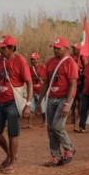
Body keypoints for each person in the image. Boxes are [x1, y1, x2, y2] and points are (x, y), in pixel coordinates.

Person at [0, 35, 33, 174]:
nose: (1, 51)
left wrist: (28, 104)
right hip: (0, 101)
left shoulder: (20, 61)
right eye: (0, 48)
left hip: (13, 102)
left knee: (13, 133)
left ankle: (13, 162)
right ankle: (10, 154)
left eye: (4, 48)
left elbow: (29, 83)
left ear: (12, 48)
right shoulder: (1, 60)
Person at [36, 37, 78, 166]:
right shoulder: (50, 63)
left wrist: (67, 104)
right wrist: (39, 102)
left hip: (64, 98)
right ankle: (55, 155)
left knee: (57, 126)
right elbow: (46, 83)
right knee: (50, 128)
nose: (55, 50)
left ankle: (69, 147)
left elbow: (73, 84)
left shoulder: (70, 63)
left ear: (65, 48)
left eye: (58, 48)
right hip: (51, 98)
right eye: (54, 47)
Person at [29, 52, 47, 127]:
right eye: (31, 59)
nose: (33, 61)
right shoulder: (30, 69)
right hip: (33, 91)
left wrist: (41, 78)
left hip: (41, 91)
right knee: (30, 108)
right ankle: (29, 123)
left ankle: (45, 122)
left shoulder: (43, 67)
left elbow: (47, 78)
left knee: (43, 108)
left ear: (38, 59)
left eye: (34, 59)